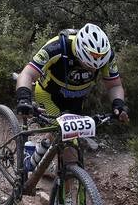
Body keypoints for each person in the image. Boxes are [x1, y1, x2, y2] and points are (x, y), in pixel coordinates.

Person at [15, 23, 129, 169]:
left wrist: (118, 104)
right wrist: (24, 98)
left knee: (62, 137)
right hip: (48, 95)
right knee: (68, 144)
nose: (92, 69)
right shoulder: (57, 47)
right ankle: (60, 181)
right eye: (87, 65)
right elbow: (27, 73)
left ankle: (36, 159)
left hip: (76, 100)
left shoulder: (105, 56)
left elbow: (114, 85)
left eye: (96, 67)